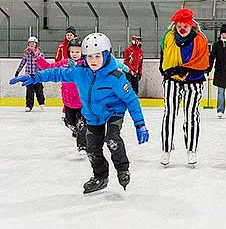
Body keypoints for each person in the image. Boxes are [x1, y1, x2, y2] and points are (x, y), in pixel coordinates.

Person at [10, 32, 149, 194]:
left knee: (112, 140)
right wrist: (35, 76)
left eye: (97, 56)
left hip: (113, 112)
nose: (93, 61)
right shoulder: (80, 72)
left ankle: (122, 169)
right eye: (90, 57)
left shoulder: (115, 77)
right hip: (92, 114)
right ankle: (100, 176)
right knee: (91, 148)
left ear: (106, 54)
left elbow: (131, 99)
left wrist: (140, 124)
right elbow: (57, 73)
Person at [159, 8, 209, 167]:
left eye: (185, 26)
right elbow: (164, 55)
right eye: (179, 25)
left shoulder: (200, 39)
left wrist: (187, 70)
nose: (182, 28)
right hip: (172, 81)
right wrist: (168, 69)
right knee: (169, 113)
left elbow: (203, 63)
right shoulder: (168, 37)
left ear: (191, 25)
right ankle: (166, 149)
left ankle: (191, 149)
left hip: (194, 82)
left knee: (191, 115)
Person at [29, 37, 87, 157]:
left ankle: (82, 146)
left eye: (78, 51)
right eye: (72, 51)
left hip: (82, 102)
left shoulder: (86, 65)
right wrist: (37, 57)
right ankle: (80, 132)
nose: (75, 54)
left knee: (82, 124)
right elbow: (48, 68)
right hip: (68, 102)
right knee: (69, 123)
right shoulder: (64, 63)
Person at [14, 36, 45, 112]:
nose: (31, 45)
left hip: (37, 75)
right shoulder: (26, 54)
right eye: (30, 43)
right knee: (29, 91)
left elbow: (42, 63)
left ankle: (41, 103)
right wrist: (18, 71)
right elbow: (23, 62)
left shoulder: (40, 53)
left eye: (33, 43)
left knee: (39, 90)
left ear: (36, 44)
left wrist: (43, 74)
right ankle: (29, 106)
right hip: (29, 75)